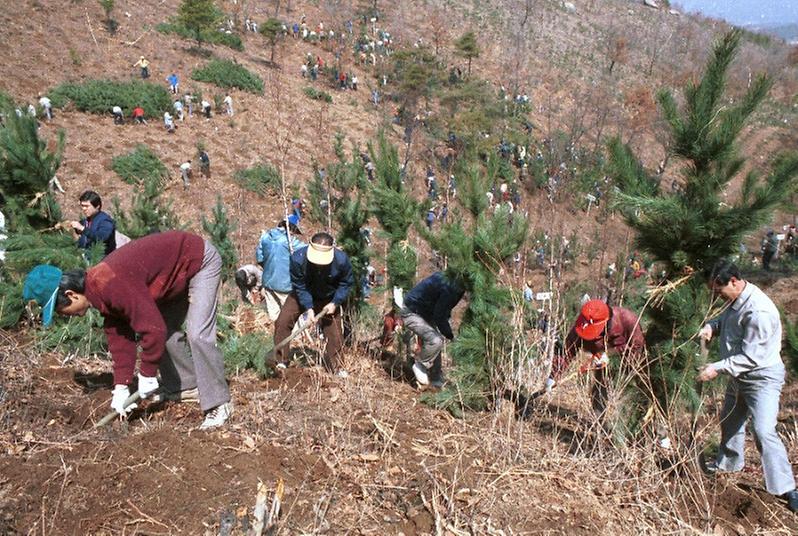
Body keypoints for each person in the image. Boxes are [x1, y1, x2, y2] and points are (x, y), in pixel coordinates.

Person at [22, 231, 233, 429]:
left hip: (198, 260)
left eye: (61, 310)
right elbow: (121, 340)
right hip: (170, 277)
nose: (64, 316)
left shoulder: (110, 284)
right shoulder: (98, 292)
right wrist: (121, 387)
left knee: (198, 334)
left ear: (71, 294)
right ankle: (186, 386)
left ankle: (219, 403)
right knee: (166, 329)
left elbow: (152, 329)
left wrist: (147, 374)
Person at [698, 259, 798, 511]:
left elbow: (752, 357)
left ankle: (787, 488)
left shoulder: (759, 311)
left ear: (733, 281)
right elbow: (727, 321)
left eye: (718, 291)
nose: (717, 296)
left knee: (764, 430)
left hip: (761, 378)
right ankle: (729, 465)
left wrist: (716, 368)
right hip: (738, 376)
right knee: (730, 419)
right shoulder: (736, 299)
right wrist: (712, 326)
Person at [547, 299, 645, 418]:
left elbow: (637, 348)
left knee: (638, 395)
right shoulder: (581, 326)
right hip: (600, 362)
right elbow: (567, 352)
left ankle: (652, 432)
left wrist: (611, 355)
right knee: (598, 393)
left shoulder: (627, 320)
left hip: (629, 364)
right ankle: (600, 427)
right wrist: (552, 377)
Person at [273, 232, 353, 375]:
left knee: (335, 334)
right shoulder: (298, 259)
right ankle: (281, 361)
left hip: (328, 298)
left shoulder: (341, 260)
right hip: (302, 294)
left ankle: (338, 367)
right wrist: (309, 308)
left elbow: (345, 284)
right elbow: (299, 285)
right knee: (282, 322)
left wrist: (335, 302)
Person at [400, 272, 464, 388]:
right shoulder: (451, 286)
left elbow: (444, 306)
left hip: (425, 312)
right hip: (411, 312)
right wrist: (450, 335)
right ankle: (420, 364)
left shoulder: (454, 281)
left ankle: (435, 378)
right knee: (435, 340)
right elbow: (439, 316)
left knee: (436, 344)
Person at [257, 217, 306, 321]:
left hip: (268, 283)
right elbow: (308, 251)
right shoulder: (289, 241)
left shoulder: (265, 237)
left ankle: (277, 336)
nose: (294, 235)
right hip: (285, 285)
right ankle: (297, 336)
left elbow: (260, 259)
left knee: (275, 317)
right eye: (294, 232)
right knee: (293, 317)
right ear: (291, 228)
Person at [70, 190, 116, 256]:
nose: (84, 209)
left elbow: (102, 237)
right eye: (82, 206)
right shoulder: (86, 221)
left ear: (97, 206)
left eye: (87, 206)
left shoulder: (105, 221)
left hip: (102, 260)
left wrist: (82, 229)